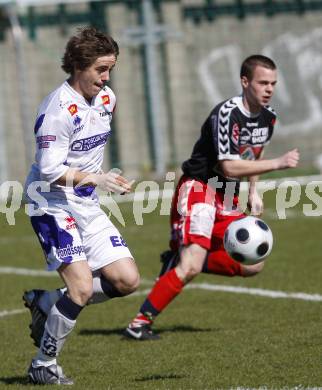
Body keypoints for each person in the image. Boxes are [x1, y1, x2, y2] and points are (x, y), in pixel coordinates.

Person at [123, 54, 300, 340]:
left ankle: (184, 258)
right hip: (199, 188)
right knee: (189, 266)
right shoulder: (226, 115)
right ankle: (139, 324)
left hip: (227, 192)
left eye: (273, 84)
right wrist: (279, 164)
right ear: (245, 82)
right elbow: (228, 165)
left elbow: (254, 153)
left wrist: (253, 191)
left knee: (253, 263)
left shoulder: (269, 118)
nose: (269, 89)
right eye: (262, 82)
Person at [23, 27, 140, 385]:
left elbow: (86, 155)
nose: (106, 79)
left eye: (110, 70)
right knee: (82, 289)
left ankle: (47, 303)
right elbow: (49, 170)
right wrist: (97, 179)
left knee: (126, 280)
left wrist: (104, 177)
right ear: (78, 65)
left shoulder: (106, 100)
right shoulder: (58, 109)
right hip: (51, 203)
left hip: (86, 202)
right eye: (100, 70)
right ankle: (43, 363)